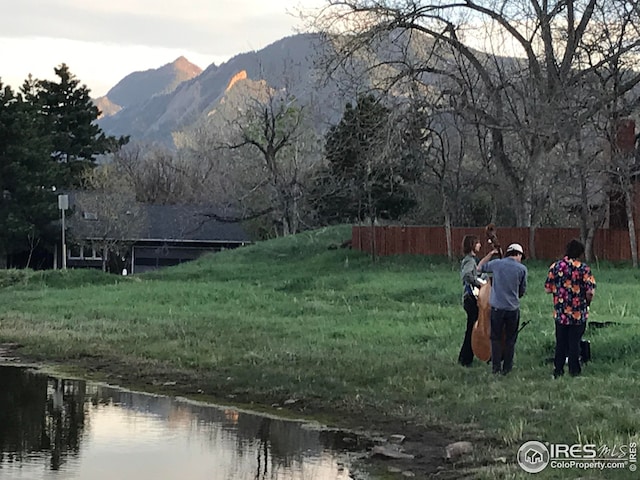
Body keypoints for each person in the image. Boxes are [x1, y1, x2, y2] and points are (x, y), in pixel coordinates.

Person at [544, 239, 596, 378]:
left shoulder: (555, 267)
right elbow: (590, 292)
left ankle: (558, 370)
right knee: (574, 343)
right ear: (580, 253)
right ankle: (574, 370)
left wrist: (560, 290)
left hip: (561, 313)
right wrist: (588, 302)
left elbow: (548, 289)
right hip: (578, 313)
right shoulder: (584, 269)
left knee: (560, 342)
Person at [477, 243, 528, 375]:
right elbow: (522, 291)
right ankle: (507, 368)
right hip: (512, 309)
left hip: (497, 308)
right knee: (511, 339)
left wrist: (490, 255)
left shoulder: (496, 264)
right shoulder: (522, 269)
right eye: (521, 256)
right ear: (517, 254)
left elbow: (479, 268)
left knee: (495, 338)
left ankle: (495, 368)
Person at [458, 235, 487, 366]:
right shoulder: (470, 261)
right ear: (472, 245)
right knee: (472, 329)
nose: (479, 245)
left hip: (469, 299)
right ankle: (465, 358)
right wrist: (480, 284)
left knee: (472, 328)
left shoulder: (471, 260)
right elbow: (467, 275)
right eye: (477, 243)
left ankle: (467, 357)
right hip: (471, 299)